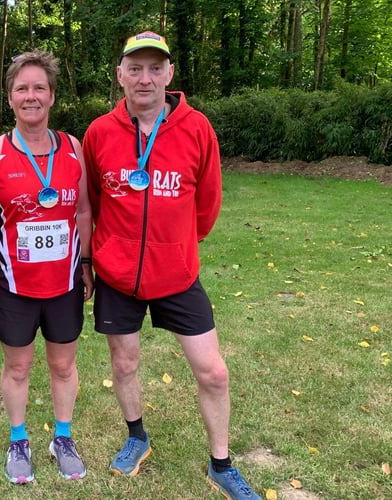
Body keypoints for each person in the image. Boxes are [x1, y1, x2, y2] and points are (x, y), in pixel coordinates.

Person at [82, 31, 261, 499]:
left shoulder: (197, 127)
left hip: (177, 275)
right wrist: (105, 254)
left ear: (170, 74)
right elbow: (94, 202)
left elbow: (208, 202)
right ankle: (136, 436)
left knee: (213, 372)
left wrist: (177, 246)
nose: (145, 78)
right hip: (117, 276)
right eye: (135, 68)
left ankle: (221, 464)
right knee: (124, 363)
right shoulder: (99, 133)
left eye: (155, 68)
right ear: (120, 74)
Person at [0, 51, 94, 484]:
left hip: (63, 283)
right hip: (13, 286)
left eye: (39, 87)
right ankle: (18, 439)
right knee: (18, 367)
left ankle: (62, 438)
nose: (31, 96)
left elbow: (82, 211)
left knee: (63, 366)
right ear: (9, 99)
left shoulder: (73, 147)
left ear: (52, 96)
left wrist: (87, 263)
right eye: (22, 88)